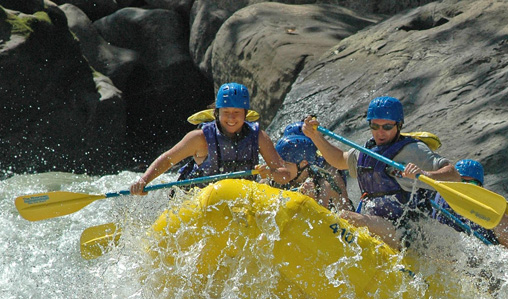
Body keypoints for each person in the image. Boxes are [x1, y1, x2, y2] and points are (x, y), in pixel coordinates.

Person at [302, 96, 460, 249]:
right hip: (379, 225)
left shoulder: (414, 150)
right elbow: (338, 159)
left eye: (387, 127)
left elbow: (453, 175)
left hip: (407, 232)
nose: (380, 132)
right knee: (341, 218)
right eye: (375, 126)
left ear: (399, 125)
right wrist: (315, 136)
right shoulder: (367, 151)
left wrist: (425, 175)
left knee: (346, 217)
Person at [130, 82, 295, 195]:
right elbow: (167, 160)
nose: (231, 118)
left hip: (238, 199)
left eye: (237, 112)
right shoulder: (200, 138)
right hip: (199, 200)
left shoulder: (258, 136)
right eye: (226, 112)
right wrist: (143, 180)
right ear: (217, 113)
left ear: (245, 114)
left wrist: (271, 173)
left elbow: (285, 175)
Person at [431, 159, 508, 252]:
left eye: (472, 184)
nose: (465, 188)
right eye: (461, 182)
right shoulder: (441, 198)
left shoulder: (492, 210)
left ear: (480, 188)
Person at [264, 131, 353, 211]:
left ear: (303, 163)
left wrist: (312, 199)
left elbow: (323, 220)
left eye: (286, 164)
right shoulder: (274, 179)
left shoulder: (323, 183)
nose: (280, 168)